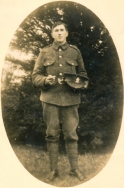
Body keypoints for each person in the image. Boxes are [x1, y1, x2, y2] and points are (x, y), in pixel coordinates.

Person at [32, 21, 89, 181]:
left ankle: (74, 170)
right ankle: (53, 170)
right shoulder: (44, 52)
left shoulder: (75, 52)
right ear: (52, 34)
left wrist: (81, 84)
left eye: (61, 30)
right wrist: (45, 80)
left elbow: (83, 74)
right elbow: (35, 76)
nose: (59, 33)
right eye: (56, 30)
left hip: (71, 100)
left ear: (66, 33)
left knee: (71, 135)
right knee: (52, 135)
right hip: (50, 100)